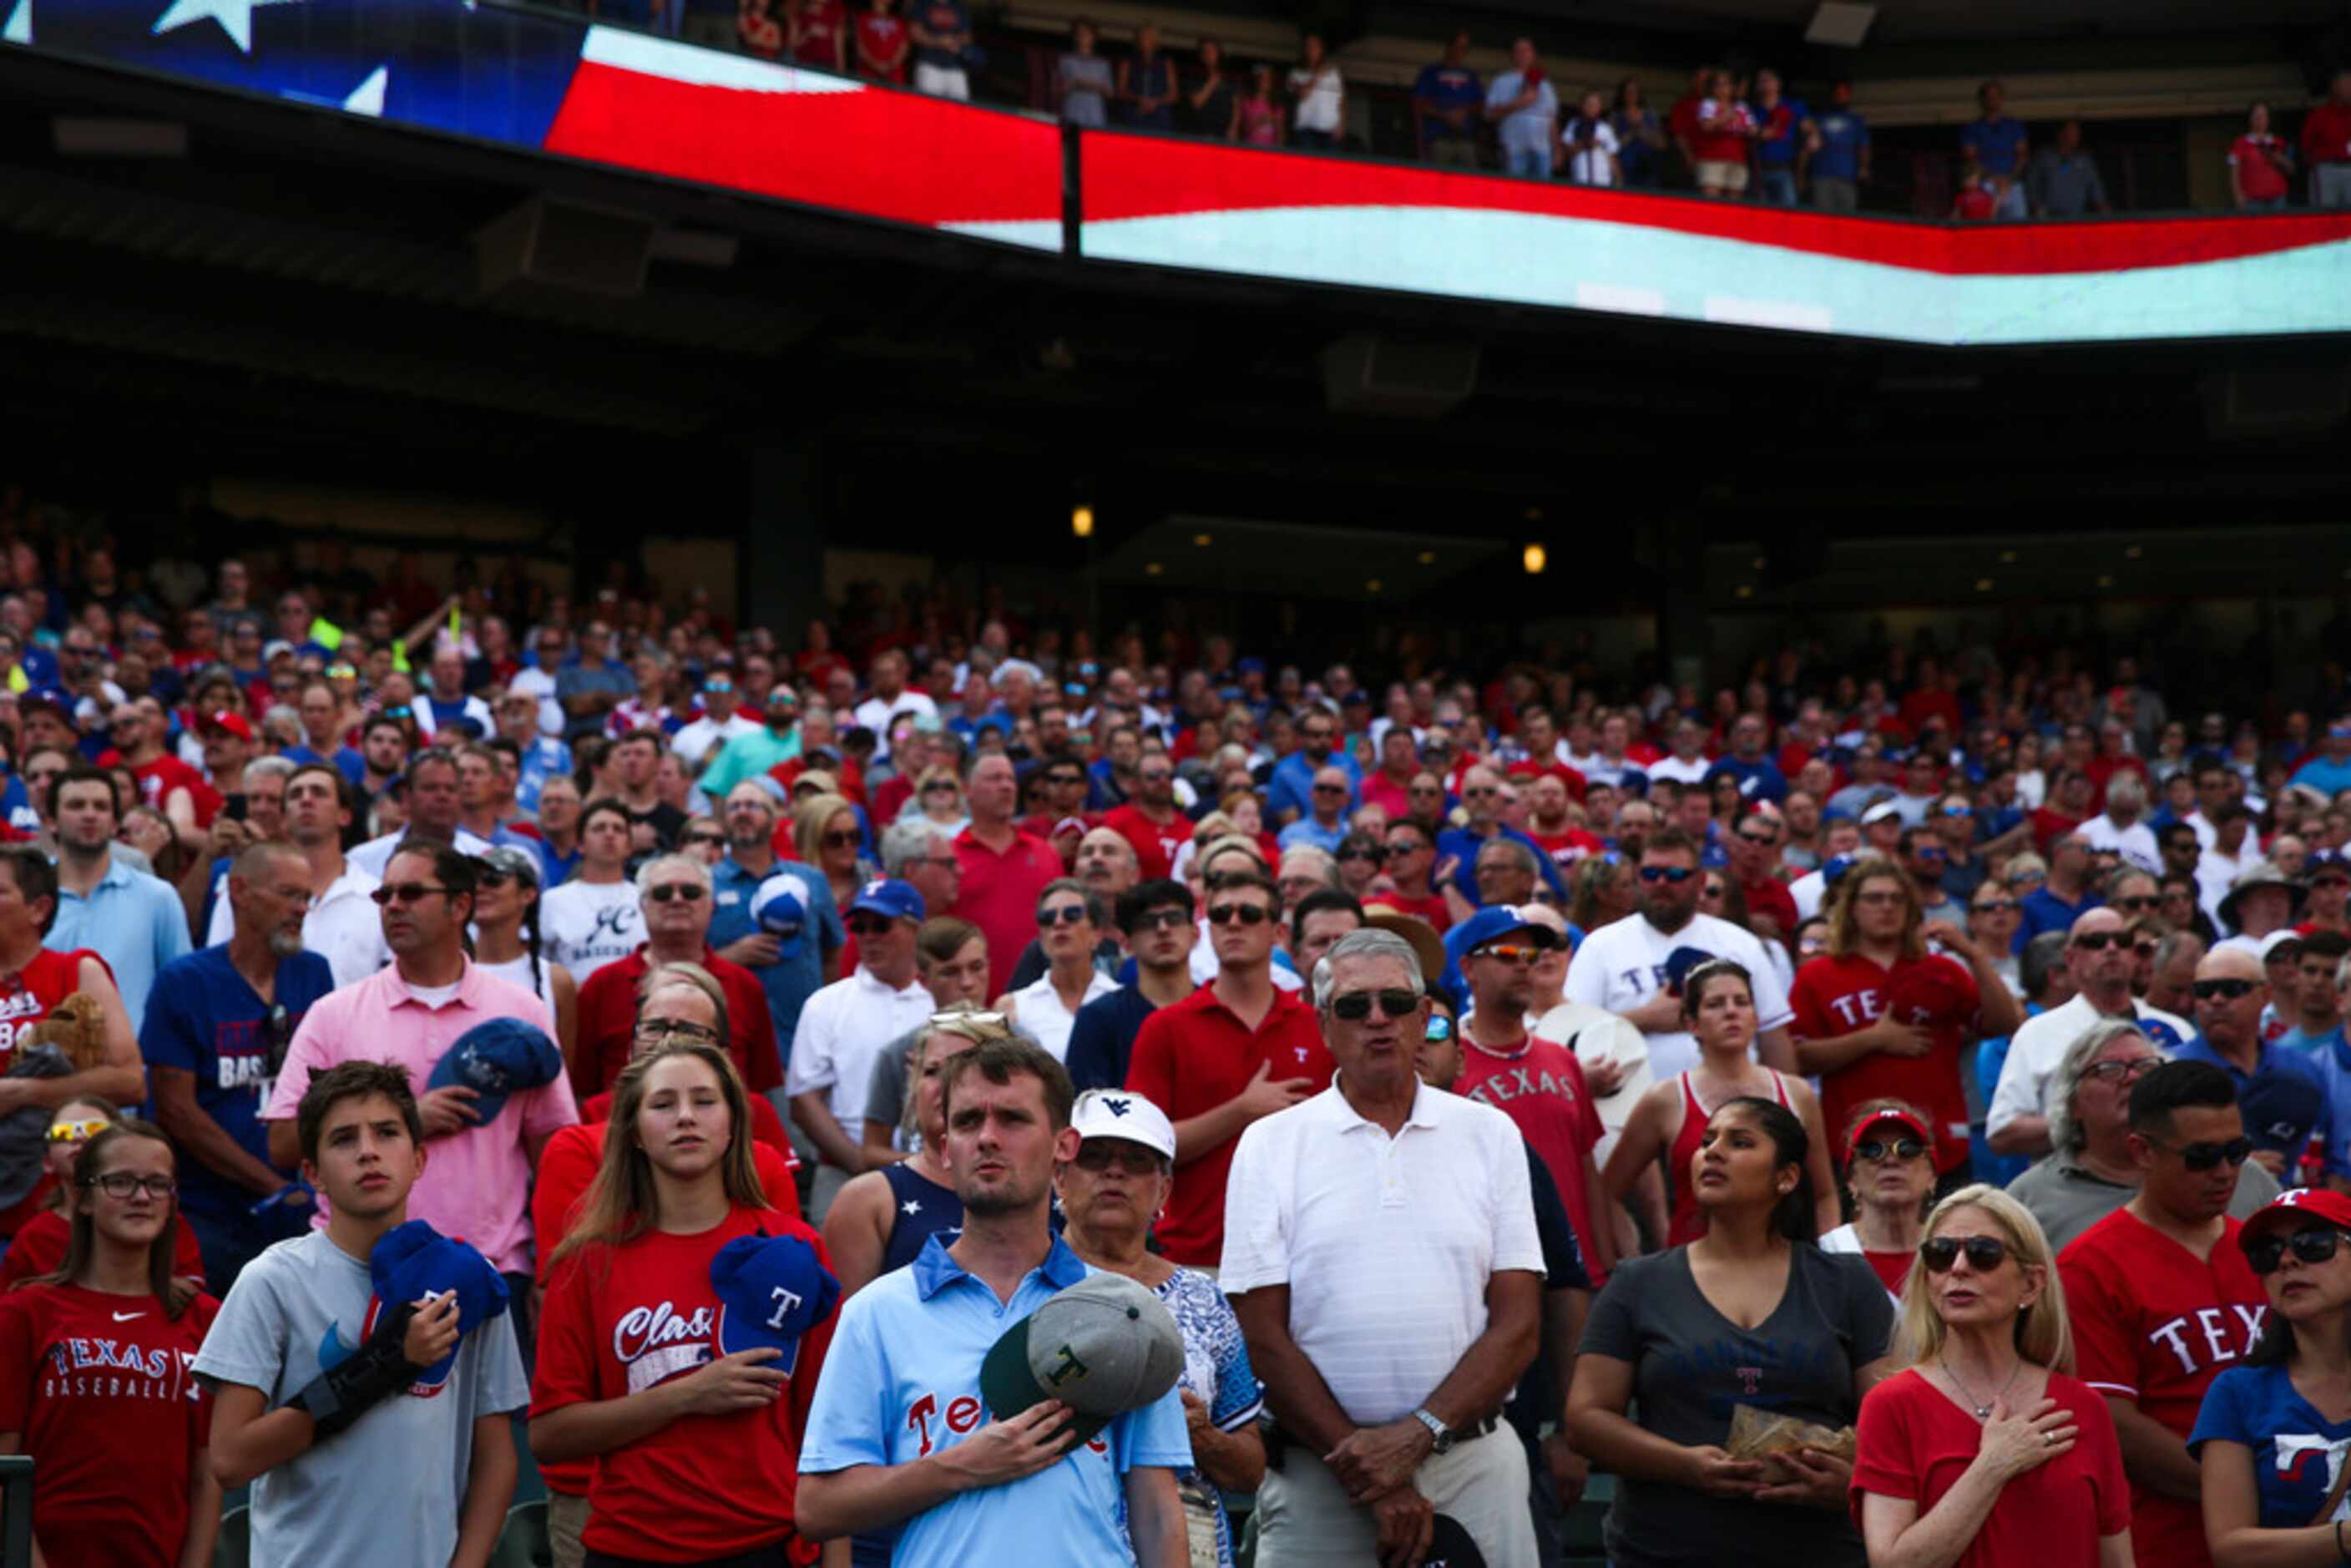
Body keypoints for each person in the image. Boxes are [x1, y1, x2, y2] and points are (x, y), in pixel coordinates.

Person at [795, 1036, 1191, 1565]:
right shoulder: (877, 1313)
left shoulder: (1122, 1309)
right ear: (943, 1148)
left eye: (1012, 1119)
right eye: (965, 1123)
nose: (986, 1138)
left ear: (1064, 1146)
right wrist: (960, 1466)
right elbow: (818, 1509)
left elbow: (1158, 1512)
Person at [1225, 928, 1545, 1565]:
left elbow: (1519, 1324)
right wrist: (1367, 1470)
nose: (1377, 1020)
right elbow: (1259, 1334)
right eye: (1353, 1006)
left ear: (1425, 1017)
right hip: (1323, 1475)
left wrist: (1419, 1434)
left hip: (1472, 1468)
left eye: (1396, 1004)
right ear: (1323, 1025)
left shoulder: (1491, 1134)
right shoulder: (1270, 1143)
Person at [199, 1061, 528, 1568]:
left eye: (387, 1133)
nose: (368, 1151)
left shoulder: (470, 1279)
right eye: (344, 1139)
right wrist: (389, 1362)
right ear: (313, 1174)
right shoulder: (273, 1280)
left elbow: (496, 1457)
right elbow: (230, 1460)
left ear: (419, 1159)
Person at [530, 1036, 836, 1568]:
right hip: (628, 1548)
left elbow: (829, 1425)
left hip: (767, 1544)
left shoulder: (794, 1248)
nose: (686, 1117)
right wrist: (686, 1395)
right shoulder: (585, 1262)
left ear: (733, 1123)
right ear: (635, 1133)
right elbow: (550, 1435)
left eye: (704, 1100)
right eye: (664, 1104)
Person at [1570, 1094, 1895, 1568]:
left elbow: (1888, 1417)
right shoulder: (1639, 1282)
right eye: (1707, 1141)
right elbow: (1585, 1420)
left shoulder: (1845, 1281)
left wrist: (1847, 1483)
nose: (1713, 1152)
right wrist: (1684, 1466)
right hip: (1666, 1550)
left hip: (1818, 1550)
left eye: (1739, 1142)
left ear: (1786, 1178)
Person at [262, 844, 576, 1308]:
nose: (393, 906)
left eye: (411, 893)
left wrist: (552, 1265)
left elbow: (554, 1152)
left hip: (489, 1270)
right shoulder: (335, 1014)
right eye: (384, 895)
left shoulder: (521, 1011)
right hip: (358, 1273)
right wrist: (406, 1121)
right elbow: (284, 1143)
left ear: (461, 906)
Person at [1851, 1186, 2131, 1567]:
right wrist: (1992, 1467)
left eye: (1984, 1254)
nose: (1959, 1268)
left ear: (2031, 1285)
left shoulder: (2084, 1406)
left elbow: (2117, 1560)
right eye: (1941, 1253)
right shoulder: (1892, 1404)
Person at [2059, 1059, 2268, 1568]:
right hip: (2167, 1540)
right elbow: (2113, 1424)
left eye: (2235, 1152)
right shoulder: (2091, 1265)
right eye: (2201, 1157)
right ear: (2142, 1151)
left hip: (2288, 1533)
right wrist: (2246, 1498)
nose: (2224, 1172)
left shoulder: (2269, 1249)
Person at [1057, 1087, 1266, 1567]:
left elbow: (1251, 1470)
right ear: (1059, 1176)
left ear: (1164, 1190)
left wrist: (1200, 1434)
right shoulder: (1025, 1286)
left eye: (1136, 1161)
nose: (1114, 1172)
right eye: (1094, 1157)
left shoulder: (1202, 1298)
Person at [0, 1119, 222, 1568]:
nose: (141, 1197)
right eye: (120, 1182)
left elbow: (207, 1477)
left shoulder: (207, 1318)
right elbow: (4, 1465)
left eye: (158, 1184)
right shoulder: (25, 1312)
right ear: (81, 1197)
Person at [142, 840, 335, 1295]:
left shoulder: (314, 974)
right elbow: (177, 1112)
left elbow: (330, 1087)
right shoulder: (185, 981)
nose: (300, 909)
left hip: (301, 1208)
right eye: (289, 894)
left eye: (306, 897)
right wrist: (269, 1184)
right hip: (209, 1211)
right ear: (241, 891)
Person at [1125, 867, 1332, 1270]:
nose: (1234, 923)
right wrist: (1242, 1110)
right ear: (1206, 930)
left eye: (1250, 914)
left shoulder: (1317, 1026)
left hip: (1305, 1256)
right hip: (1195, 1260)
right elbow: (1142, 1148)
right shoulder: (1165, 1028)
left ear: (1277, 932)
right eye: (1221, 915)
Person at [1790, 861, 2021, 1186]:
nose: (1887, 907)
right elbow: (1798, 1059)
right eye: (1874, 898)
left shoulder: (1942, 970)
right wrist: (1874, 1039)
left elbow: (2004, 1023)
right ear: (1852, 908)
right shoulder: (1818, 974)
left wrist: (1974, 955)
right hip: (1855, 1148)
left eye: (1897, 899)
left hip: (1939, 1145)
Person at [1603, 957, 1837, 1248]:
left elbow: (1825, 1194)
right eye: (1715, 1004)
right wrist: (1629, 1266)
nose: (1731, 1012)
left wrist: (1831, 1259)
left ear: (1756, 1017)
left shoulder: (1796, 1093)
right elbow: (1607, 1193)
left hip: (1784, 1271)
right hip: (1689, 1277)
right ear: (1692, 1023)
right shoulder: (1665, 1099)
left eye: (1741, 1002)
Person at [1449, 905, 1617, 1280]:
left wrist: (1604, 1268)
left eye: (1530, 955)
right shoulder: (1451, 1068)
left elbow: (1587, 1170)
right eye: (1507, 955)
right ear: (1468, 969)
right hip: (1495, 1275)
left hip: (1575, 1274)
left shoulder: (1562, 1059)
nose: (1524, 965)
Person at [2190, 1186, 2351, 1558]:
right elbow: (2231, 1549)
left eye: (2313, 1243)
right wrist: (2343, 1538)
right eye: (2268, 1252)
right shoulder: (2236, 1393)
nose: (2288, 1261)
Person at [1565, 828, 1799, 1081]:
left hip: (1731, 1109)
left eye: (1675, 875)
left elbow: (1773, 1036)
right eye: (1650, 874)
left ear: (1700, 882)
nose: (1661, 883)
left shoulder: (1740, 944)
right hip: (1628, 1110)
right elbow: (1573, 1034)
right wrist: (1645, 1019)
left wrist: (1785, 1108)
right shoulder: (1600, 945)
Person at [570, 852, 784, 1101]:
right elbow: (583, 1086)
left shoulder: (745, 986)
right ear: (642, 905)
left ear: (711, 905)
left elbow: (761, 1088)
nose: (677, 900)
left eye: (691, 892)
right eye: (662, 893)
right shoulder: (602, 985)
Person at [1988, 908, 2191, 1159]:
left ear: (2134, 955)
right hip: (2072, 1184)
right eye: (2096, 942)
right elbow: (2002, 1132)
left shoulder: (2177, 1030)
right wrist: (2087, 1124)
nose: (2111, 948)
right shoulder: (2037, 1033)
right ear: (2071, 958)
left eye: (2123, 940)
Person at [786, 878, 935, 1219]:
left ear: (917, 931)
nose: (869, 937)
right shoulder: (826, 1003)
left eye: (882, 926)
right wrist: (861, 1160)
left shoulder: (938, 1003)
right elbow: (804, 1101)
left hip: (935, 1176)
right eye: (860, 927)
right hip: (843, 1172)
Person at [0, 1097, 205, 1288]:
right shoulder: (34, 1237)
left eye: (94, 1130)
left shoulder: (156, 1218)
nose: (80, 1138)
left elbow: (191, 1296)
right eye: (63, 1133)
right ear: (46, 1161)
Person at [707, 777, 844, 1065]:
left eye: (753, 806)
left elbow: (833, 954)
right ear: (723, 822)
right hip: (730, 1043)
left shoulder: (812, 880)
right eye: (734, 807)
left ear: (773, 823)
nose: (742, 812)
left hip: (803, 1041)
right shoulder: (703, 884)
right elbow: (686, 962)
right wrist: (730, 957)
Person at [46, 765, 192, 1033]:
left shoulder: (157, 897)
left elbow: (181, 991)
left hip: (133, 1066)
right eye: (76, 805)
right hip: (38, 1065)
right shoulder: (24, 898)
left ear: (115, 824)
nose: (90, 814)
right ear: (50, 821)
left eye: (101, 807)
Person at [1065, 879, 1197, 1093]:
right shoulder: (1097, 1018)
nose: (1163, 929)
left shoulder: (1220, 1011)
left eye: (1174, 919)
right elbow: (1088, 1114)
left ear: (1195, 934)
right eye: (1147, 923)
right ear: (1125, 943)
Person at [951, 753, 1064, 999]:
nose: (1006, 786)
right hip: (971, 999)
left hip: (1040, 1001)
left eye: (1011, 779)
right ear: (968, 790)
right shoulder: (950, 857)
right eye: (994, 778)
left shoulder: (1044, 852)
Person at [281, 763, 391, 987]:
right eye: (295, 794)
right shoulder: (253, 893)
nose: (306, 800)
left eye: (319, 792)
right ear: (283, 818)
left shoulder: (379, 899)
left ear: (345, 816)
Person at [1821, 1100, 1939, 1304]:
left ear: (1932, 1176)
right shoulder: (1825, 1254)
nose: (1890, 1161)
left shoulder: (1957, 1252)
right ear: (1851, 1180)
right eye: (1871, 1151)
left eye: (1907, 1149)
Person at [469, 844, 579, 1060]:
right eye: (472, 881)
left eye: (493, 879)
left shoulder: (556, 981)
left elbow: (564, 1074)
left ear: (528, 895)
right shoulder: (445, 973)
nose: (479, 888)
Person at [995, 880, 1116, 1064]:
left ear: (1097, 934)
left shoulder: (1120, 998)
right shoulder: (1012, 1007)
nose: (1059, 922)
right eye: (1048, 917)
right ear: (1041, 936)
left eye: (1072, 914)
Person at [538, 797, 645, 985]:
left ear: (629, 846)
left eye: (618, 829)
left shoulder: (646, 898)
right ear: (580, 844)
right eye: (599, 828)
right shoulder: (553, 900)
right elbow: (543, 966)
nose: (609, 834)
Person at [1484, 38, 1560, 180]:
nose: (1523, 54)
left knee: (1542, 194)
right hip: (1514, 149)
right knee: (1513, 194)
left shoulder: (1546, 85)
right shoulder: (1501, 81)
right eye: (1518, 51)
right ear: (1512, 55)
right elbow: (1488, 114)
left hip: (1542, 150)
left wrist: (1557, 149)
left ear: (1533, 54)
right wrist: (1520, 102)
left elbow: (1552, 119)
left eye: (1526, 50)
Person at [1959, 79, 2029, 219]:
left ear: (2001, 99)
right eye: (1989, 97)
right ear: (1982, 100)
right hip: (1985, 185)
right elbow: (1971, 157)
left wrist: (2009, 179)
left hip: (2011, 184)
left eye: (1996, 96)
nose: (1993, 100)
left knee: (2018, 227)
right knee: (1986, 225)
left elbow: (2022, 154)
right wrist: (1993, 178)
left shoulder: (2012, 125)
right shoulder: (1973, 127)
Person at [1413, 32, 1484, 167]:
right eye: (1458, 46)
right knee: (1436, 182)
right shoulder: (1431, 72)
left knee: (1470, 182)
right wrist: (1446, 116)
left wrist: (1463, 113)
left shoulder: (1471, 75)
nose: (1460, 51)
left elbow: (1480, 104)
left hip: (1465, 141)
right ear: (1449, 47)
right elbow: (1419, 104)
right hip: (1438, 140)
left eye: (1464, 48)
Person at [2027, 119, 2112, 217]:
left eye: (2076, 133)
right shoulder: (2043, 158)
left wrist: (2104, 209)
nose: (2074, 137)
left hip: (2077, 217)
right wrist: (2036, 207)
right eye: (2070, 133)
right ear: (2060, 134)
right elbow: (2032, 186)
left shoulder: (2084, 160)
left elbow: (2096, 189)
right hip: (2049, 218)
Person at [1810, 78, 1870, 210]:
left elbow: (1863, 146)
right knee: (1823, 218)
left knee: (1847, 219)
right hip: (1822, 176)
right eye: (1838, 94)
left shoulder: (1856, 120)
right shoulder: (1818, 118)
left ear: (1849, 96)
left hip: (1847, 176)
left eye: (1844, 94)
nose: (1840, 97)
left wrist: (1864, 168)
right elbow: (1808, 147)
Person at [1287, 33, 1344, 150]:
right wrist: (1317, 75)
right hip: (1307, 130)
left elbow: (1341, 101)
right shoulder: (1296, 73)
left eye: (1315, 46)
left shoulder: (1333, 74)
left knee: (1329, 167)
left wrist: (1341, 124)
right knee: (1307, 166)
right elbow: (1303, 94)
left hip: (1330, 130)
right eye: (1308, 46)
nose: (1311, 50)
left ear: (1321, 50)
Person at [1054, 18, 1112, 127]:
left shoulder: (1102, 63)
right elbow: (1058, 88)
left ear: (1093, 37)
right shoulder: (1066, 60)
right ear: (1075, 37)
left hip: (1095, 115)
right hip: (1073, 112)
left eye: (1087, 33)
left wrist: (1096, 86)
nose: (1083, 37)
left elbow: (1110, 92)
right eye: (1080, 34)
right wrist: (1075, 83)